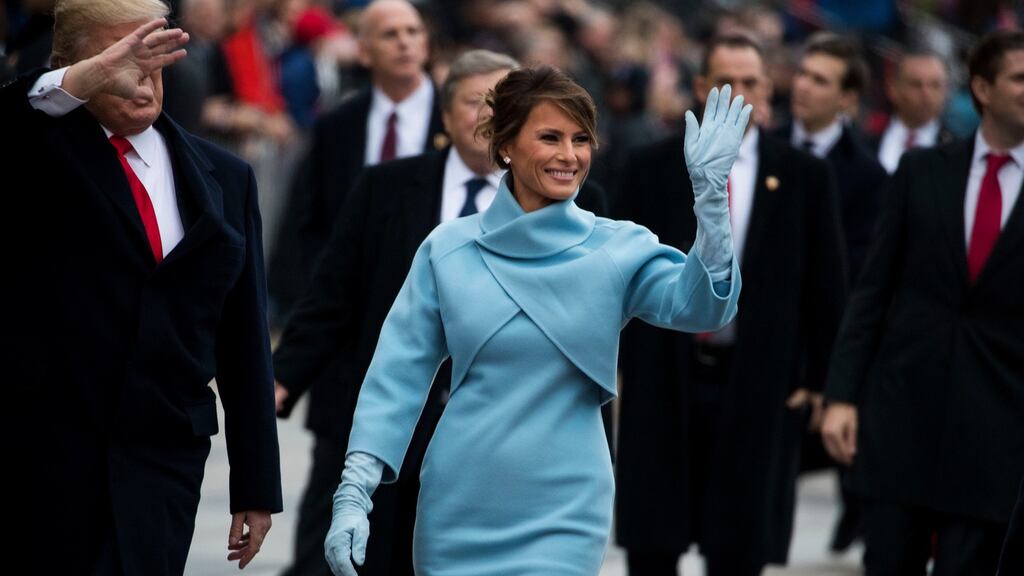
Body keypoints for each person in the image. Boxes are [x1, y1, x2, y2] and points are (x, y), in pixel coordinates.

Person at [322, 67, 749, 576]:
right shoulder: (447, 248)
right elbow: (397, 375)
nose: (570, 156)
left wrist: (711, 206)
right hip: (458, 502)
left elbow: (702, 306)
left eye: (581, 139)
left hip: (566, 505)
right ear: (505, 145)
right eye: (550, 137)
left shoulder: (617, 246)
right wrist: (355, 489)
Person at [273, 49, 601, 576]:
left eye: (504, 104)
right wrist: (284, 375)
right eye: (479, 102)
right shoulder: (388, 188)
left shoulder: (584, 208)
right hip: (393, 419)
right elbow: (333, 294)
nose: (491, 116)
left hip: (514, 447)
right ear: (446, 118)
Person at [5, 2, 283, 575]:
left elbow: (243, 337)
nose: (140, 81)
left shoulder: (224, 176)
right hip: (43, 462)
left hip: (161, 465)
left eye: (152, 60)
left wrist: (255, 484)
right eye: (121, 63)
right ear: (73, 68)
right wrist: (78, 82)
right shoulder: (36, 153)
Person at [613, 33, 847, 576]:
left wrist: (822, 381)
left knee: (739, 542)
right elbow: (618, 270)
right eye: (726, 82)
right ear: (700, 87)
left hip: (759, 378)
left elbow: (825, 283)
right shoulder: (651, 165)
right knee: (654, 537)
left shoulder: (803, 175)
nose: (739, 94)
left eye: (750, 82)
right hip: (666, 371)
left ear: (767, 89)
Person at [821, 29, 1024, 575]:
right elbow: (873, 290)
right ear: (982, 87)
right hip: (901, 421)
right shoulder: (923, 171)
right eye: (1019, 78)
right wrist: (841, 395)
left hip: (996, 434)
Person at [869, 48, 957, 174]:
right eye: (916, 84)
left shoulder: (955, 151)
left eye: (935, 85)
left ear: (946, 91)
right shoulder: (865, 142)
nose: (926, 93)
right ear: (893, 89)